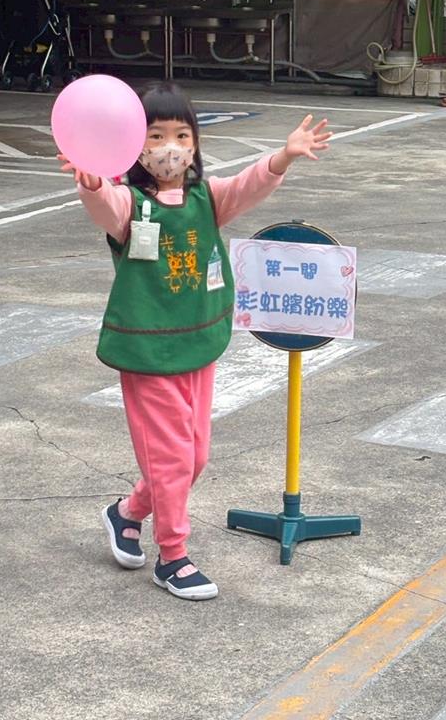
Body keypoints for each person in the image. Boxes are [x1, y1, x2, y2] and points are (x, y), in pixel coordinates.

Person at [60, 81, 330, 600]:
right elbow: (104, 205)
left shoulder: (207, 197)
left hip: (198, 344)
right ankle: (173, 557)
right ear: (134, 145)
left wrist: (284, 157)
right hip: (148, 352)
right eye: (156, 135)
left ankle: (127, 512)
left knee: (195, 456)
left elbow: (249, 184)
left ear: (196, 143)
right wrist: (91, 180)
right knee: (172, 460)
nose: (171, 147)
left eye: (182, 135)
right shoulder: (130, 204)